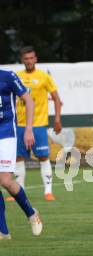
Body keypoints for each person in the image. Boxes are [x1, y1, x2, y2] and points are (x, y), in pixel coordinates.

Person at [11, 46, 63, 201]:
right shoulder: (16, 76)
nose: (29, 61)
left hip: (39, 124)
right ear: (22, 60)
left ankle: (48, 191)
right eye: (26, 58)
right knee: (19, 158)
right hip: (19, 124)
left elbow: (56, 99)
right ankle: (18, 191)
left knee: (43, 157)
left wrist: (58, 119)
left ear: (36, 59)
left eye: (31, 58)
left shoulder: (43, 77)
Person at [0, 69, 43, 240]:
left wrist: (29, 129)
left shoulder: (8, 76)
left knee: (5, 181)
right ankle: (3, 232)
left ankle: (32, 214)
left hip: (6, 133)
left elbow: (29, 100)